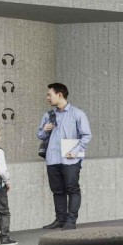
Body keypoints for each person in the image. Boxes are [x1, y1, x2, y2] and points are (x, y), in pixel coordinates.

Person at [36, 83, 90, 230]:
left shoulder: (77, 114)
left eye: (49, 94)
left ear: (59, 95)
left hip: (70, 159)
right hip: (52, 158)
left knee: (72, 189)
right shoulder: (48, 115)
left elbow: (86, 135)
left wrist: (76, 150)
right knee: (57, 190)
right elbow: (40, 135)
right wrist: (45, 129)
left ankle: (71, 221)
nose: (47, 97)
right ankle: (60, 219)